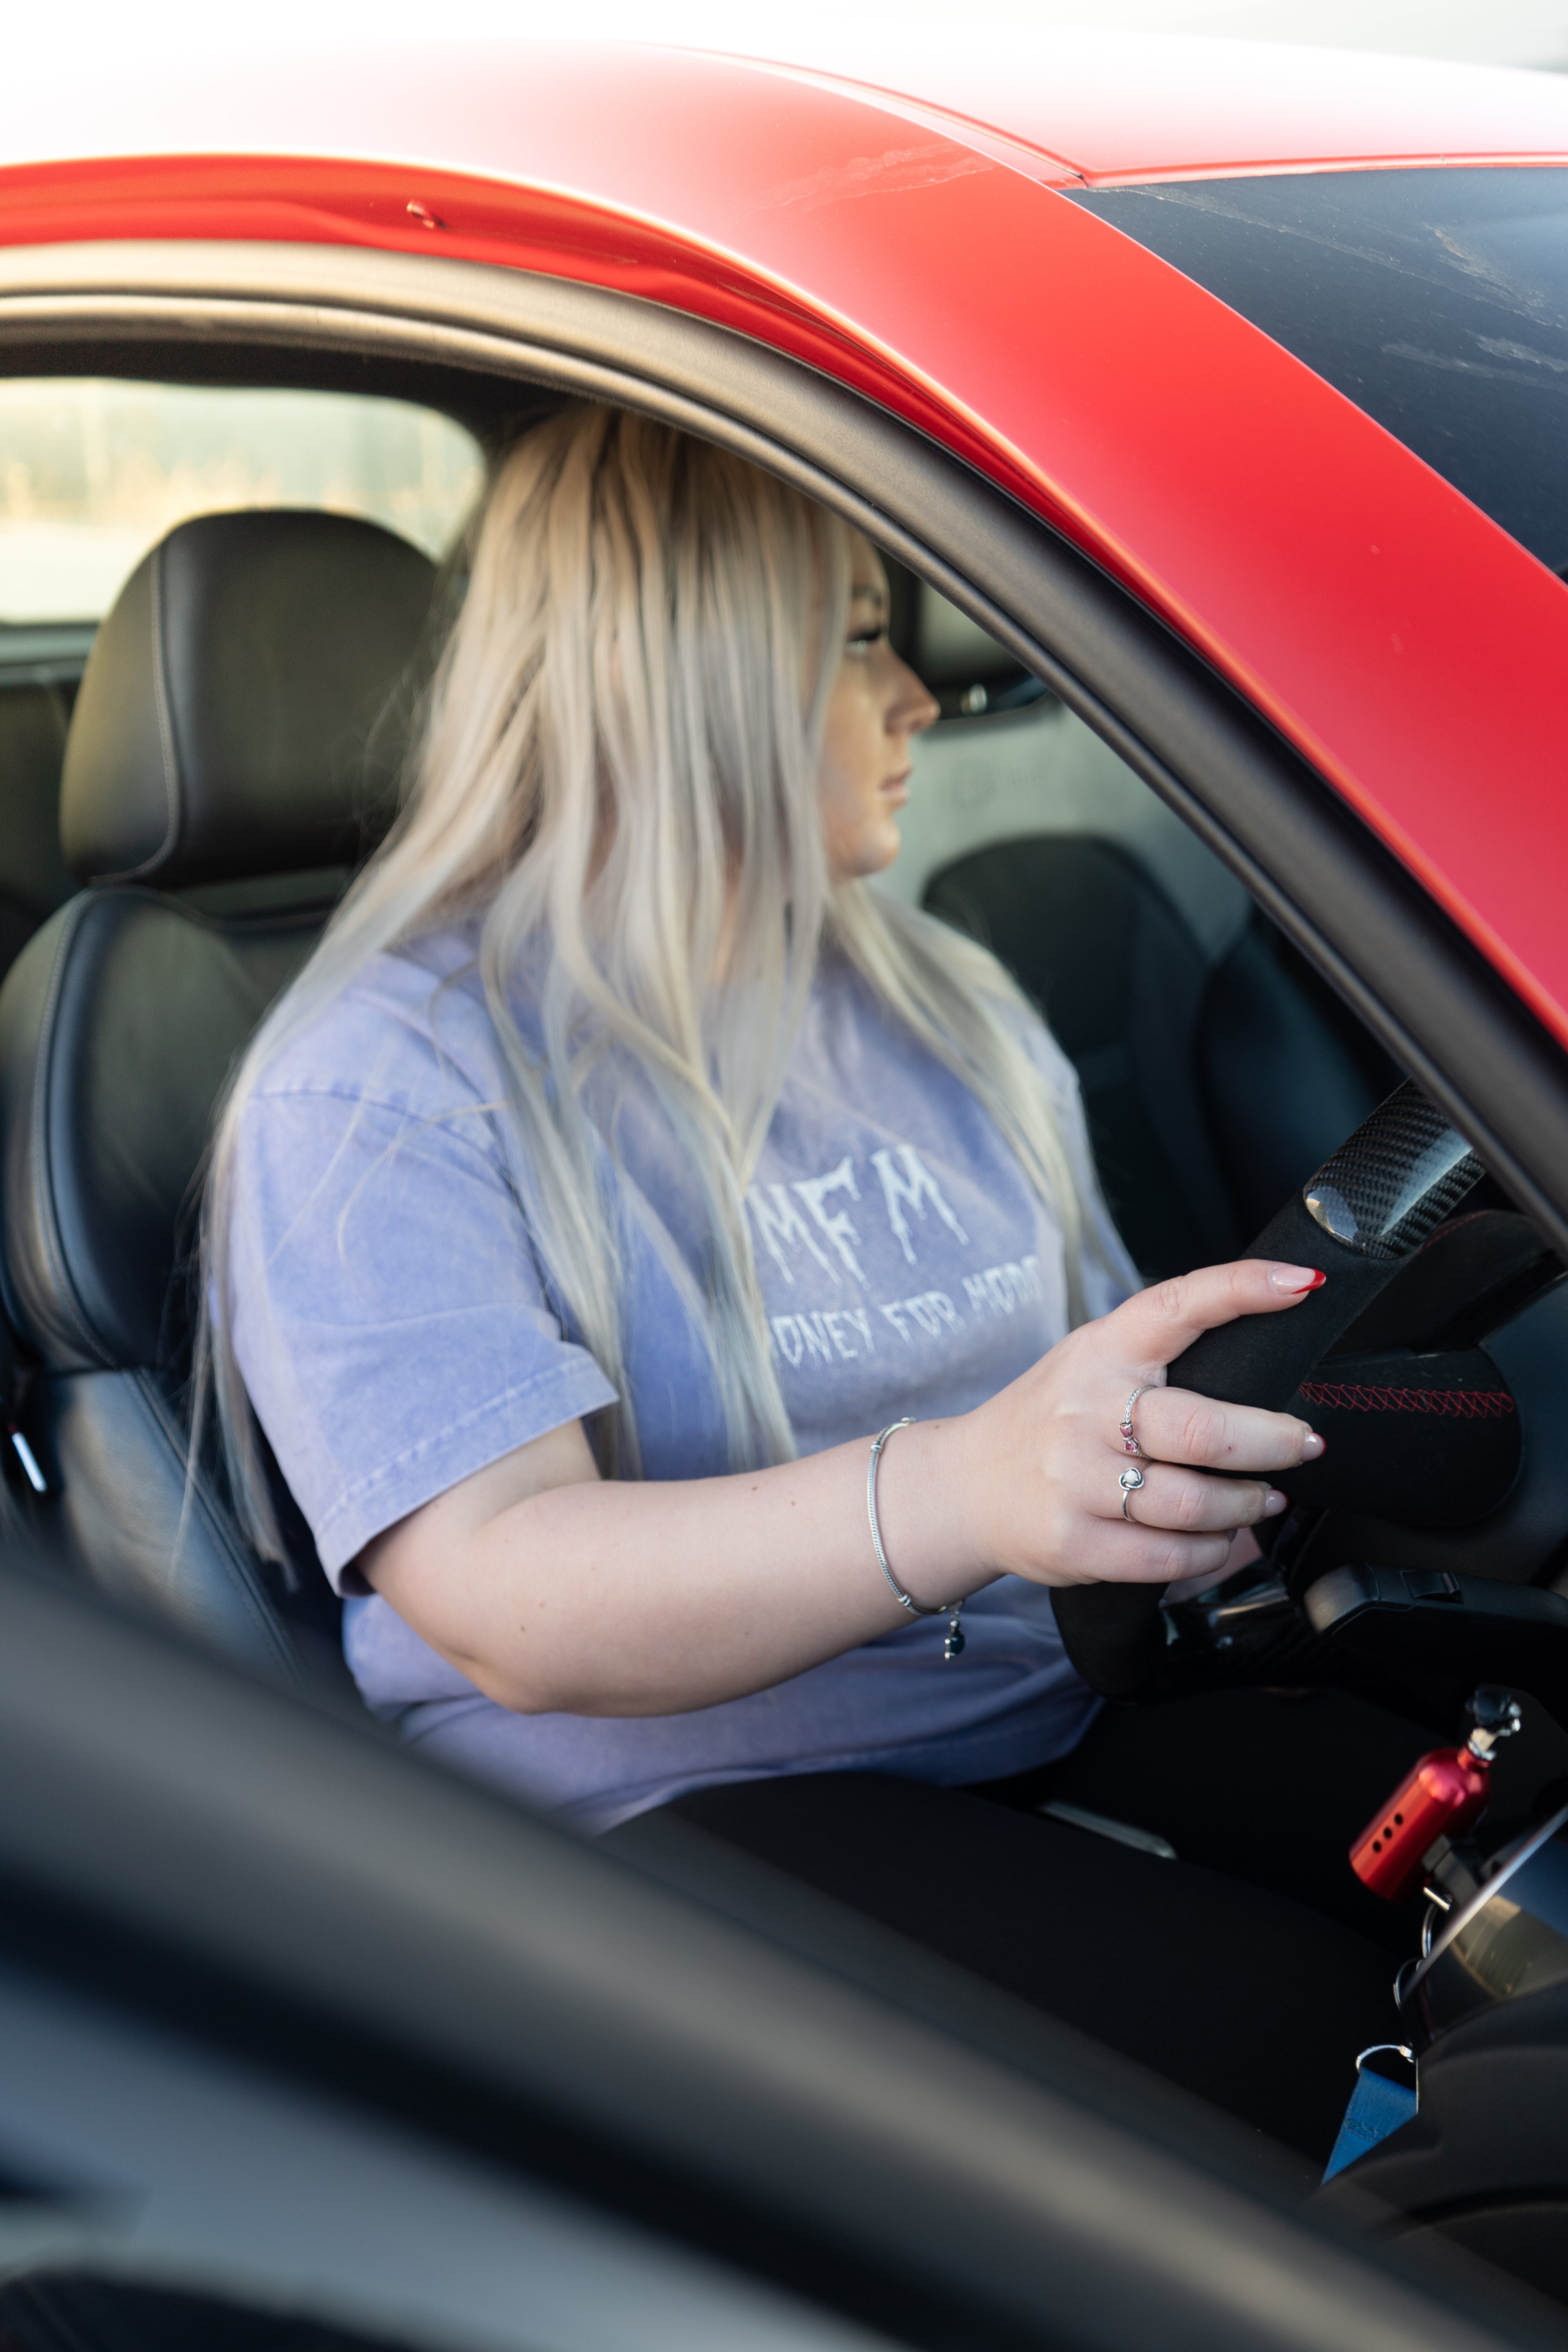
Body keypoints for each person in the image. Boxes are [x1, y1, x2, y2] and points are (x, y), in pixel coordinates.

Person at [205, 405, 1399, 2160]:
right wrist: (968, 1487)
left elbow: (1095, 1403)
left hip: (1059, 1696)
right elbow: (501, 1598)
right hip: (671, 1819)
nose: (920, 697)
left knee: (1508, 1945)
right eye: (859, 642)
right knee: (1340, 2100)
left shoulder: (937, 999)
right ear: (689, 677)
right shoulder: (380, 1085)